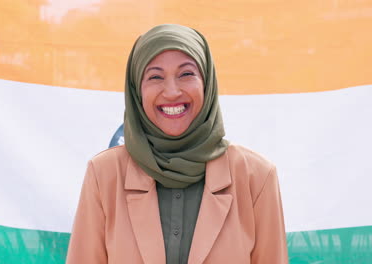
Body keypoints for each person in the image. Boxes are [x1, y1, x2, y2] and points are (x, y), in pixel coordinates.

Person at [66, 24, 288, 264]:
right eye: (155, 77)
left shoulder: (256, 176)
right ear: (136, 91)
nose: (171, 92)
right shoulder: (105, 174)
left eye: (186, 74)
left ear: (207, 83)